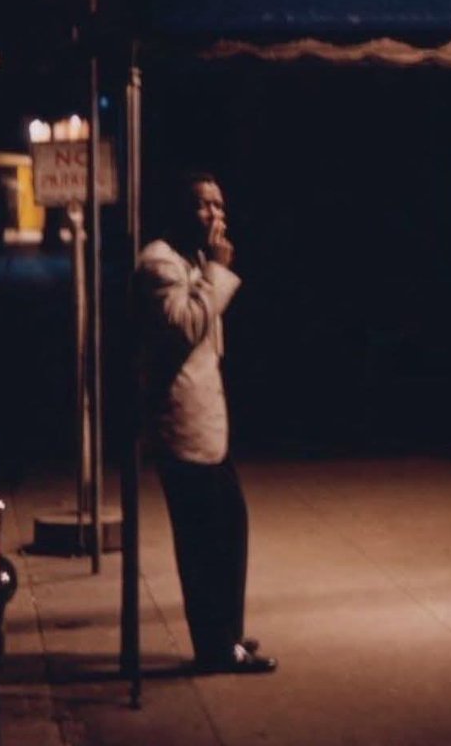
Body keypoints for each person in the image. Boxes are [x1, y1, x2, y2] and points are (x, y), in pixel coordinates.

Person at [134, 170, 276, 675]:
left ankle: (227, 634)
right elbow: (186, 326)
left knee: (229, 530)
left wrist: (210, 270)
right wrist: (216, 272)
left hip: (209, 426)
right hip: (184, 429)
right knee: (204, 543)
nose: (215, 215)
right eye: (202, 205)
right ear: (179, 210)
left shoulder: (191, 260)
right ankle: (215, 646)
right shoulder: (157, 262)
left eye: (219, 205)